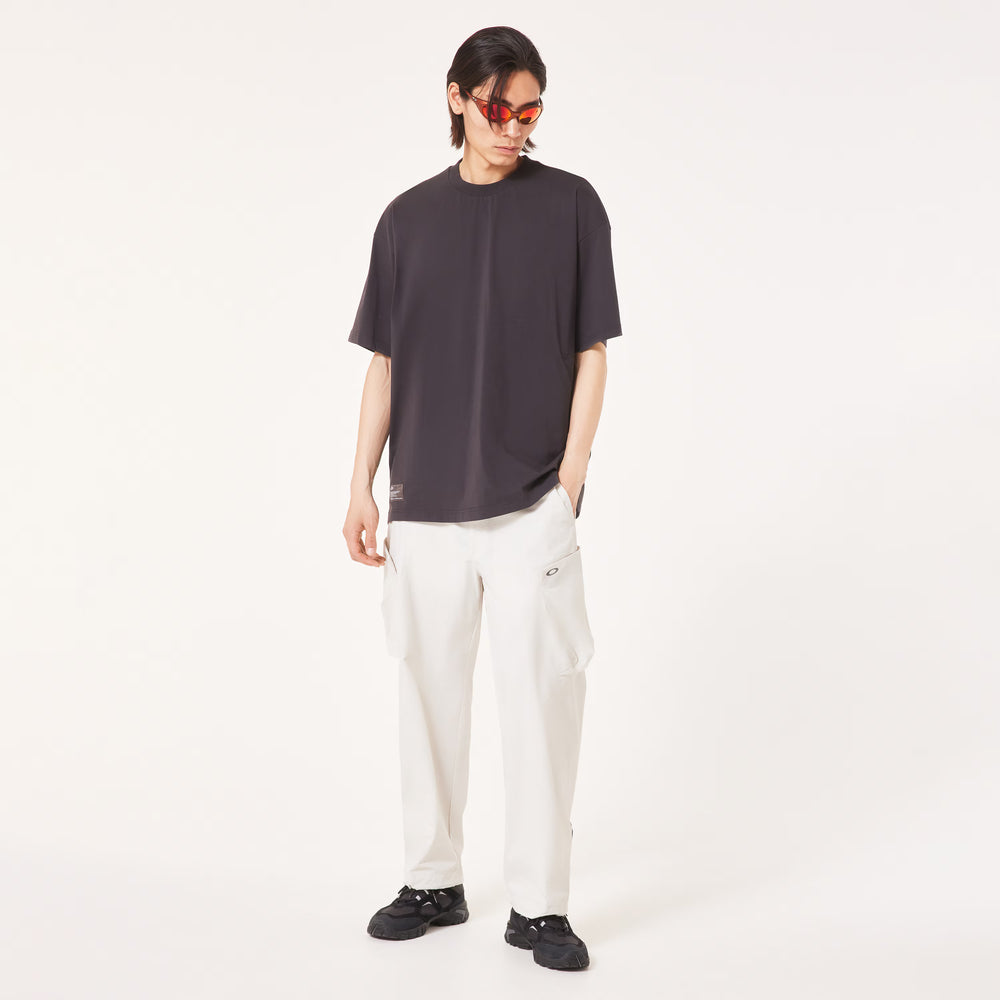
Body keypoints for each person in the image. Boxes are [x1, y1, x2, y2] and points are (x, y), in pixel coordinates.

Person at [343, 25, 622, 972]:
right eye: (498, 108)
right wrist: (359, 485)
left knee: (543, 701)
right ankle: (434, 880)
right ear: (457, 97)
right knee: (425, 697)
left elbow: (592, 352)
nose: (514, 127)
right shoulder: (405, 220)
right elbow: (386, 362)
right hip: (423, 504)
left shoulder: (572, 205)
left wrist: (569, 483)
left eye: (530, 111)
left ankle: (540, 905)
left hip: (531, 504)